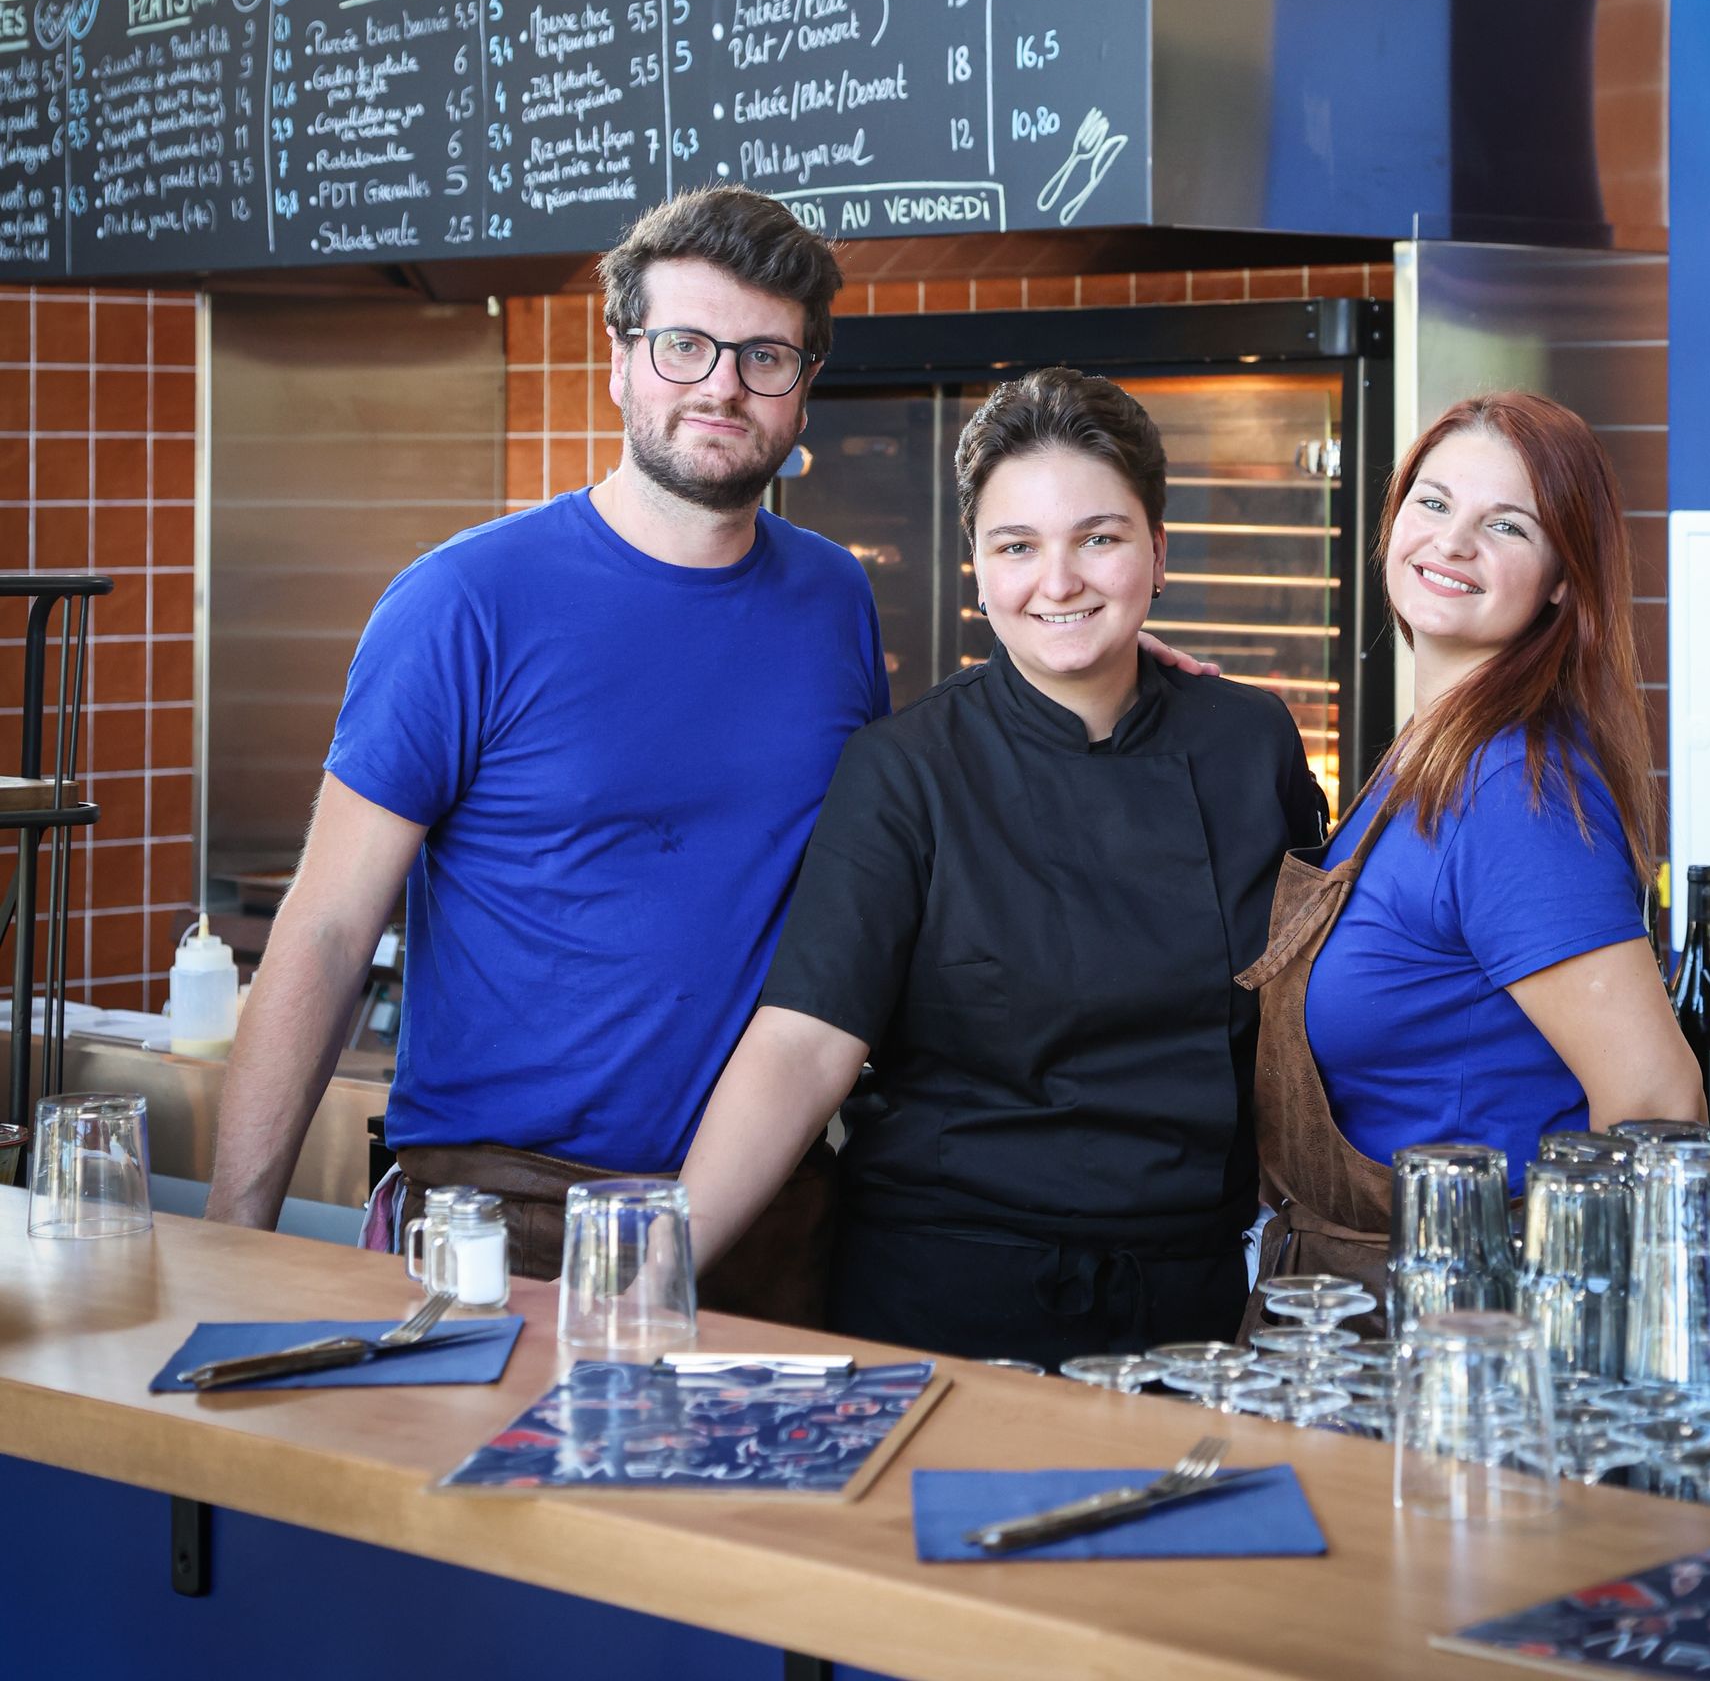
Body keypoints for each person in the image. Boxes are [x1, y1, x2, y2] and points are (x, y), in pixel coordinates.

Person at [203, 186, 881, 1322]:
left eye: (765, 355)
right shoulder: (464, 599)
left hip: (769, 1218)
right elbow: (321, 935)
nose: (721, 382)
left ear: (803, 387)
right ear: (617, 358)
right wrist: (230, 1244)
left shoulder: (835, 598)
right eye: (685, 344)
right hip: (506, 1217)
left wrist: (1087, 648)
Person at [678, 367, 1328, 1367]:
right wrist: (646, 1276)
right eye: (1016, 546)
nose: (1057, 581)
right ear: (976, 569)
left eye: (1098, 538)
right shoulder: (905, 769)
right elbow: (804, 1043)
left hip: (1193, 1309)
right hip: (948, 1298)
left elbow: (1306, 1006)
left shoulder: (1251, 742)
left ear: (1157, 552)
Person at [1241, 390, 1702, 1312]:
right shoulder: (1429, 750)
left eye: (1507, 525)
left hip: (1463, 1322)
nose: (1452, 543)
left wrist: (1551, 1349)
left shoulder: (1512, 788)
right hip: (1361, 1300)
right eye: (1435, 502)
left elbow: (1656, 1101)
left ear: (1562, 579)